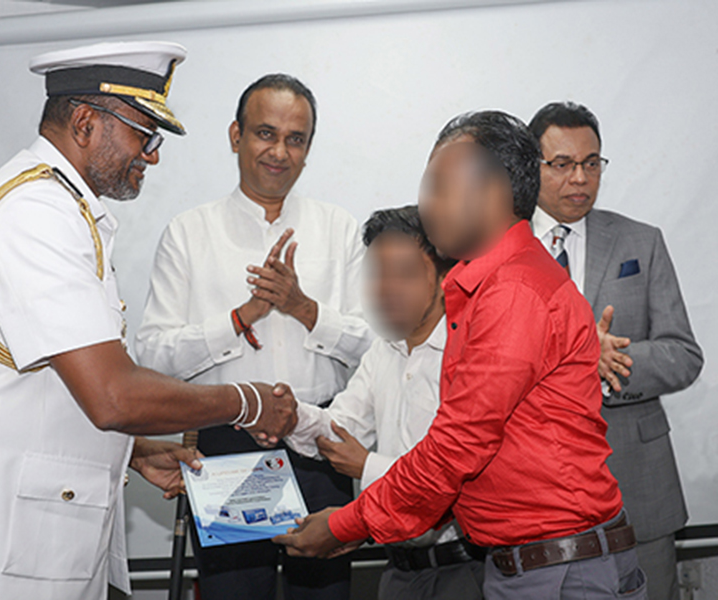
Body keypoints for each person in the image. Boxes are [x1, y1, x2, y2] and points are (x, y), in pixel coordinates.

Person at [0, 42, 298, 600]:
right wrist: (250, 401)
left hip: (13, 547)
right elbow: (112, 394)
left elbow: (53, 378)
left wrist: (134, 450)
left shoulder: (64, 208)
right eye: (145, 135)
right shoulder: (35, 215)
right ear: (88, 122)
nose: (153, 155)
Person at [275, 110, 649, 600]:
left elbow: (456, 446)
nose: (427, 207)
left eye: (438, 188)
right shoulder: (486, 287)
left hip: (561, 572)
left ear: (492, 193)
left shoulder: (513, 292)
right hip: (533, 564)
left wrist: (347, 523)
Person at [135, 73, 373, 600]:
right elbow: (151, 354)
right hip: (227, 447)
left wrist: (303, 308)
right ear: (235, 135)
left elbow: (377, 350)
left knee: (324, 595)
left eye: (296, 139)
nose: (280, 152)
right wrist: (241, 319)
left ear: (309, 148)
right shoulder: (189, 232)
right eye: (266, 133)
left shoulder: (340, 229)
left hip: (321, 447)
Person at [528, 101, 703, 600]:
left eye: (591, 163)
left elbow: (683, 355)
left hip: (638, 491)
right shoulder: (500, 249)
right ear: (531, 166)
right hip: (534, 498)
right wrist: (583, 353)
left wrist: (610, 367)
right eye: (562, 164)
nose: (579, 178)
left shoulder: (640, 242)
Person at [282, 205, 485, 600]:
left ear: (446, 277)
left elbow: (455, 479)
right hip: (398, 572)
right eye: (378, 273)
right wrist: (288, 416)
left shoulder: (470, 353)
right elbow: (341, 429)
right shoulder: (383, 351)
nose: (386, 288)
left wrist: (367, 465)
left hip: (467, 570)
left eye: (405, 273)